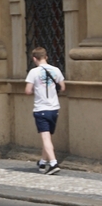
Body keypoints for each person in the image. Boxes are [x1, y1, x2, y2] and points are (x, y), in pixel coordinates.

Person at [25, 47, 66, 175]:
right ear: (46, 57)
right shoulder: (56, 70)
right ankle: (43, 162)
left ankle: (53, 163)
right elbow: (63, 87)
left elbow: (27, 90)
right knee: (47, 137)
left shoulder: (33, 72)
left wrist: (36, 90)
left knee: (45, 138)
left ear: (34, 58)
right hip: (54, 108)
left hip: (41, 108)